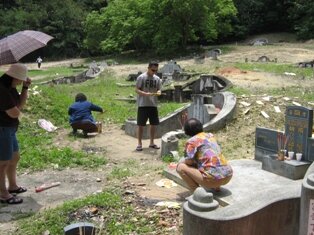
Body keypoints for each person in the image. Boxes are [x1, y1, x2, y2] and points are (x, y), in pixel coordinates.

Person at [0, 63, 31, 204]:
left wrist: (25, 88)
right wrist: (24, 115)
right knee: (2, 163)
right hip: (2, 128)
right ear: (13, 77)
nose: (20, 82)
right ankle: (3, 193)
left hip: (10, 128)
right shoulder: (1, 90)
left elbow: (20, 104)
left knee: (14, 157)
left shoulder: (10, 88)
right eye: (20, 80)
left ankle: (12, 186)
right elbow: (14, 113)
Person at [176, 118, 233, 192]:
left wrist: (182, 162)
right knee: (211, 161)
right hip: (228, 175)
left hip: (213, 180)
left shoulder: (192, 141)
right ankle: (216, 188)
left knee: (181, 167)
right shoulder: (210, 136)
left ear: (187, 131)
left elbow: (189, 162)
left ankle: (198, 195)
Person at [135, 61, 162, 151]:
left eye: (156, 70)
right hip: (143, 104)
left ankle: (152, 142)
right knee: (141, 125)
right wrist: (145, 94)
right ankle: (139, 143)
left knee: (153, 124)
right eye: (152, 70)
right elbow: (137, 89)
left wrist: (158, 92)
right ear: (148, 68)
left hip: (153, 104)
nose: (154, 72)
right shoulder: (141, 77)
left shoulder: (157, 79)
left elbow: (159, 89)